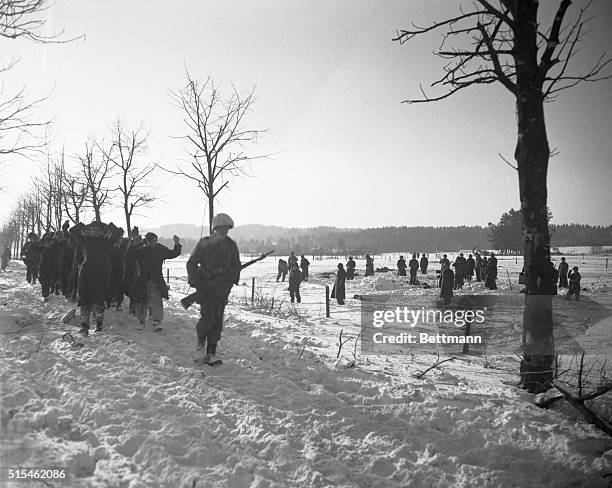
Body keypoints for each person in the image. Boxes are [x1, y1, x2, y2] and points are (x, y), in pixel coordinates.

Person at [187, 213, 240, 365]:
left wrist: (229, 283)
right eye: (223, 228)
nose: (225, 231)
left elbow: (236, 266)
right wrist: (197, 282)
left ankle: (211, 352)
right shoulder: (204, 243)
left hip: (222, 290)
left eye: (227, 228)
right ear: (215, 228)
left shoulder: (231, 245)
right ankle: (199, 346)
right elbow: (191, 264)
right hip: (206, 288)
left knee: (217, 321)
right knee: (208, 318)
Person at [70, 221, 123, 335]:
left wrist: (108, 225)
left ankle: (99, 325)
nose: (94, 232)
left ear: (101, 231)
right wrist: (82, 225)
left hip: (101, 273)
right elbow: (72, 231)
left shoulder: (106, 242)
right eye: (92, 230)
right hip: (86, 272)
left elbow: (117, 233)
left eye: (97, 230)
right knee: (84, 299)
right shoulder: (85, 240)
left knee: (99, 300)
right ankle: (84, 325)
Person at [132, 232, 182, 331]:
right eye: (150, 241)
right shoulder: (142, 250)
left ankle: (156, 321)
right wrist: (136, 243)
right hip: (143, 279)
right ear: (147, 241)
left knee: (156, 301)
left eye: (154, 241)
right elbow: (131, 254)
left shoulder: (160, 249)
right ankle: (141, 321)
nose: (153, 243)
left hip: (156, 279)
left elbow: (173, 254)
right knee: (142, 300)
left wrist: (177, 244)